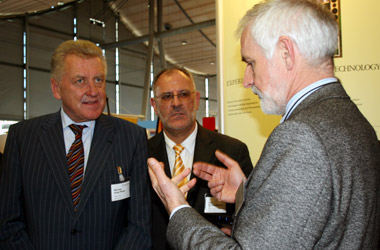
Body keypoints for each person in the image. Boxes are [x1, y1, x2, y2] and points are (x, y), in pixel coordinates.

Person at [148, 0, 380, 249]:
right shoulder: (354, 120)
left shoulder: (301, 136)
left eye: (250, 63)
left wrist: (177, 207)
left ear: (286, 53)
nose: (247, 81)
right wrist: (244, 195)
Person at [0, 40, 151, 249]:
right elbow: (7, 222)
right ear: (56, 88)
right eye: (80, 81)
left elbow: (140, 224)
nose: (93, 90)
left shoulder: (131, 137)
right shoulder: (23, 138)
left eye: (98, 80)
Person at [149, 67, 253, 249]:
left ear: (196, 100)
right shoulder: (141, 154)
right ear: (154, 105)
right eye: (166, 97)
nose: (176, 103)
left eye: (183, 94)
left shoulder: (232, 152)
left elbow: (254, 215)